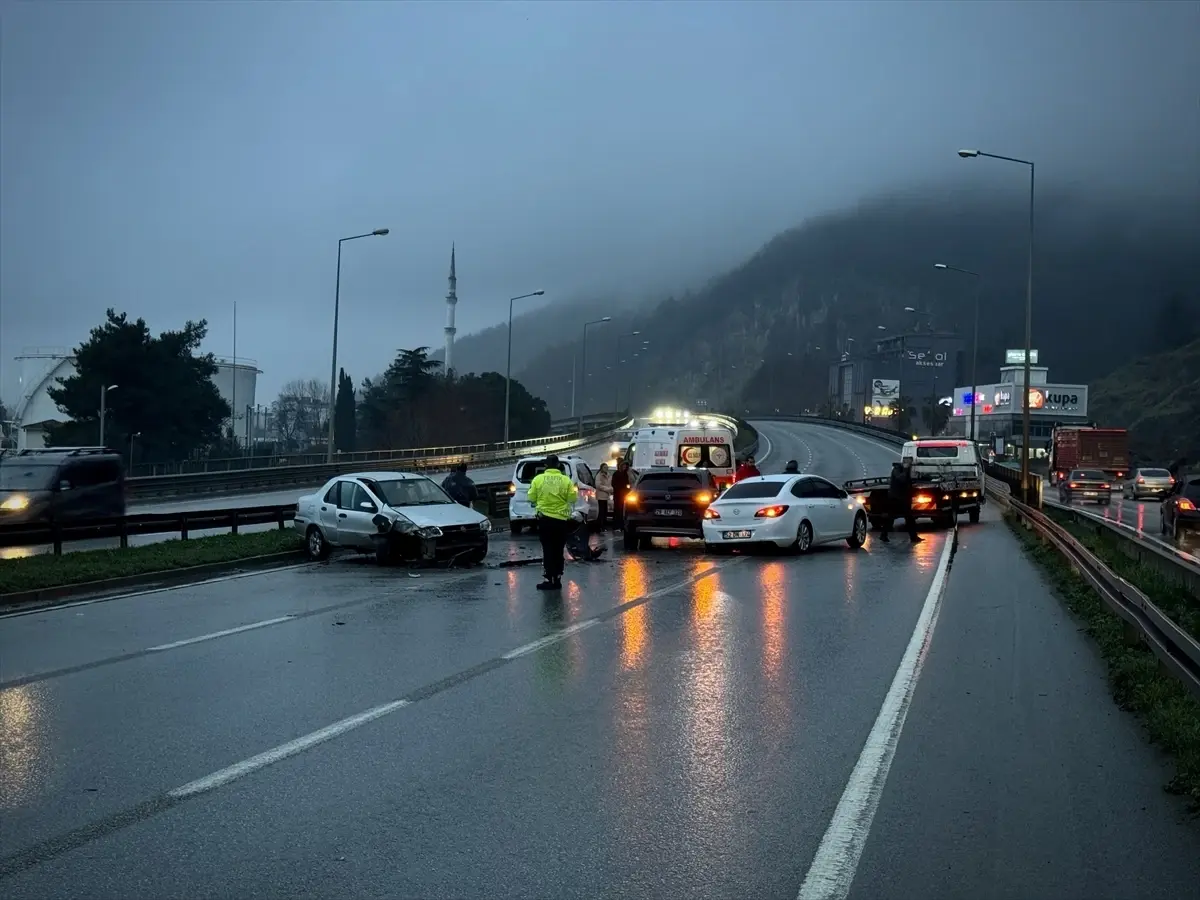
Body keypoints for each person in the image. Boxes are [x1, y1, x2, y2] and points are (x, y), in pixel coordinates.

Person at [527, 454, 578, 590]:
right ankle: (558, 578)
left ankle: (549, 578)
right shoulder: (566, 480)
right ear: (557, 465)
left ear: (545, 466)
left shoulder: (538, 479)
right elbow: (572, 498)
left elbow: (531, 497)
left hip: (545, 520)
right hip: (561, 520)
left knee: (548, 549)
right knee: (558, 549)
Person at [880, 458, 922, 544]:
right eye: (909, 462)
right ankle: (883, 535)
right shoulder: (897, 468)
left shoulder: (906, 469)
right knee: (892, 518)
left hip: (903, 497)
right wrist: (906, 469)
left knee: (908, 518)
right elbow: (901, 479)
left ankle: (913, 537)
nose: (910, 464)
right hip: (895, 498)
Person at [611, 460, 631, 530]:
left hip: (624, 495)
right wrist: (621, 487)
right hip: (618, 495)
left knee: (622, 510)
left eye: (626, 465)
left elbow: (627, 483)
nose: (625, 467)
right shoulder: (616, 474)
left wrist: (627, 488)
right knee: (617, 510)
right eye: (623, 465)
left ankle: (622, 525)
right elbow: (614, 484)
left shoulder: (625, 474)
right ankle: (616, 525)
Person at [594, 462, 614, 531]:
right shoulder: (599, 475)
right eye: (605, 467)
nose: (606, 468)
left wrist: (611, 488)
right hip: (601, 496)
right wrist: (608, 489)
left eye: (607, 467)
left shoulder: (609, 475)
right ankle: (600, 527)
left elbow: (611, 484)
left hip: (606, 496)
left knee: (605, 512)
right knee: (601, 512)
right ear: (601, 468)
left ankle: (603, 526)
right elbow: (598, 485)